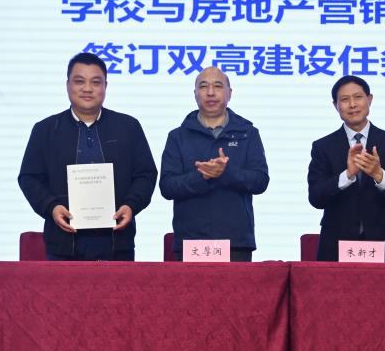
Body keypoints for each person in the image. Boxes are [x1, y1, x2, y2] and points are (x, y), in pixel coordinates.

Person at [18, 53, 158, 261]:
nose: (87, 88)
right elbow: (29, 178)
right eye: (79, 81)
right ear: (67, 85)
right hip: (63, 244)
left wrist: (131, 205)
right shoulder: (45, 130)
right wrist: (51, 207)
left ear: (105, 86)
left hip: (117, 242)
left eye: (95, 82)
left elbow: (146, 174)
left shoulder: (128, 127)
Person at [159, 67, 269, 262]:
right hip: (191, 242)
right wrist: (202, 175)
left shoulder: (248, 134)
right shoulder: (178, 137)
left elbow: (260, 181)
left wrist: (226, 172)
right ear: (195, 94)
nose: (210, 92)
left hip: (236, 242)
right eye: (203, 86)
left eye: (218, 86)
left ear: (229, 93)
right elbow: (167, 187)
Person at [308, 76, 385, 262]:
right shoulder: (323, 147)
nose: (352, 104)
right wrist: (347, 175)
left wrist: (379, 175)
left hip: (382, 242)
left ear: (369, 100)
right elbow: (316, 198)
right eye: (344, 99)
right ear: (335, 105)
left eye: (358, 97)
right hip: (336, 244)